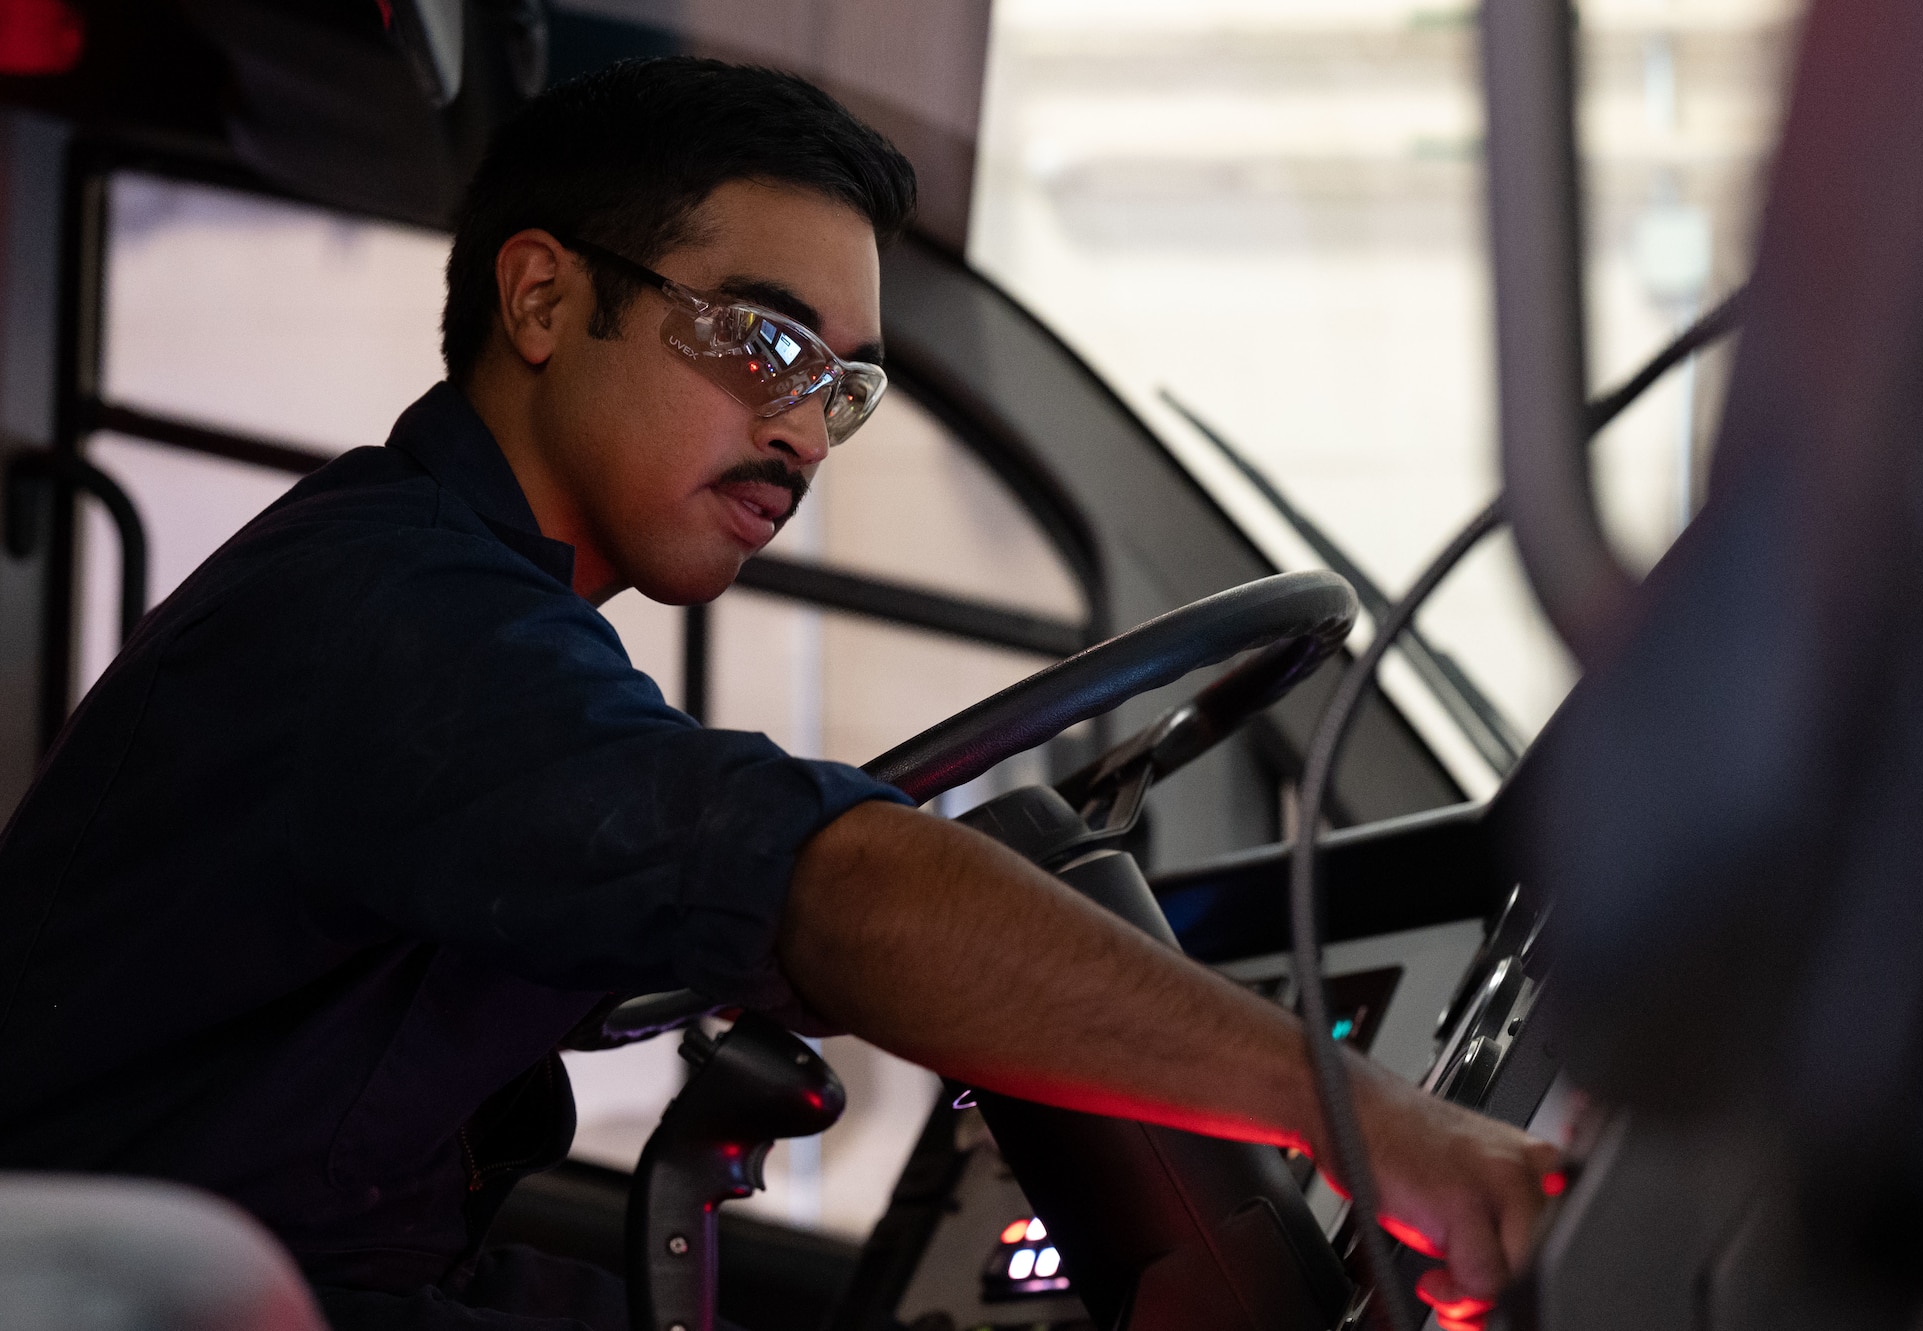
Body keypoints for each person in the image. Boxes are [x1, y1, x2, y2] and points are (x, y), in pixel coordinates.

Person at [0, 57, 1554, 1331]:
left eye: (846, 388)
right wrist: (1376, 1126)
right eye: (763, 342)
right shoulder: (395, 620)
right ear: (539, 304)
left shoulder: (453, 609)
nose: (807, 434)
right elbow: (827, 884)